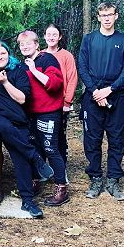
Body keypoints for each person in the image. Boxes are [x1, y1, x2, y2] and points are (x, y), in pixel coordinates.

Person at [0, 41, 54, 218]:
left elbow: (21, 99)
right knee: (3, 127)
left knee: (21, 156)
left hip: (16, 121)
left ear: (9, 54)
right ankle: (36, 157)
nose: (0, 57)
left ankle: (27, 201)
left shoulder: (18, 71)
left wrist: (5, 82)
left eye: (3, 53)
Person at [78, 2, 124, 201]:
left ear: (116, 16)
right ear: (98, 17)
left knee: (116, 139)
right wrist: (95, 92)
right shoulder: (89, 39)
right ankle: (95, 179)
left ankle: (113, 180)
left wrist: (109, 90)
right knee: (92, 140)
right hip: (92, 97)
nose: (107, 18)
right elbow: (82, 67)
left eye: (110, 14)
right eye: (103, 15)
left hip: (116, 96)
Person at [17, 30, 68, 207]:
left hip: (49, 112)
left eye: (28, 43)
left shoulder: (47, 59)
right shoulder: (22, 65)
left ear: (37, 44)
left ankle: (61, 188)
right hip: (30, 114)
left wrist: (33, 70)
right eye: (21, 44)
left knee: (50, 149)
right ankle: (35, 182)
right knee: (34, 149)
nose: (24, 47)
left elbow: (55, 84)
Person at [41, 24, 78, 166]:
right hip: (42, 105)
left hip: (60, 104)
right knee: (42, 136)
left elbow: (72, 78)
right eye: (49, 34)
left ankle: (60, 168)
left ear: (60, 37)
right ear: (44, 36)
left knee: (59, 135)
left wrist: (67, 102)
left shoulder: (66, 56)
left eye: (54, 35)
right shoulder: (40, 54)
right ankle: (43, 168)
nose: (51, 37)